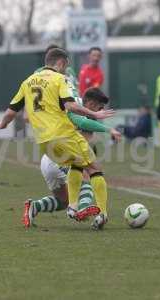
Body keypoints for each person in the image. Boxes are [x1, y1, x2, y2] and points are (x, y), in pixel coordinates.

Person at [0, 48, 115, 230]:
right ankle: (92, 211)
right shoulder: (59, 79)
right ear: (61, 63)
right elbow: (71, 107)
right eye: (66, 66)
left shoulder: (28, 82)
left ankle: (52, 206)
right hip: (63, 135)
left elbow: (12, 111)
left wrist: (2, 124)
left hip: (44, 144)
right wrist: (96, 115)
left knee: (72, 177)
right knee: (93, 168)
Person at [31, 88, 121, 226]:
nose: (101, 111)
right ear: (90, 103)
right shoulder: (76, 104)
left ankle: (35, 206)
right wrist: (109, 129)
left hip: (49, 158)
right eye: (100, 107)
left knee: (62, 200)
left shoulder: (79, 109)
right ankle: (84, 209)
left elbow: (85, 137)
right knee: (91, 173)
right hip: (58, 155)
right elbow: (82, 123)